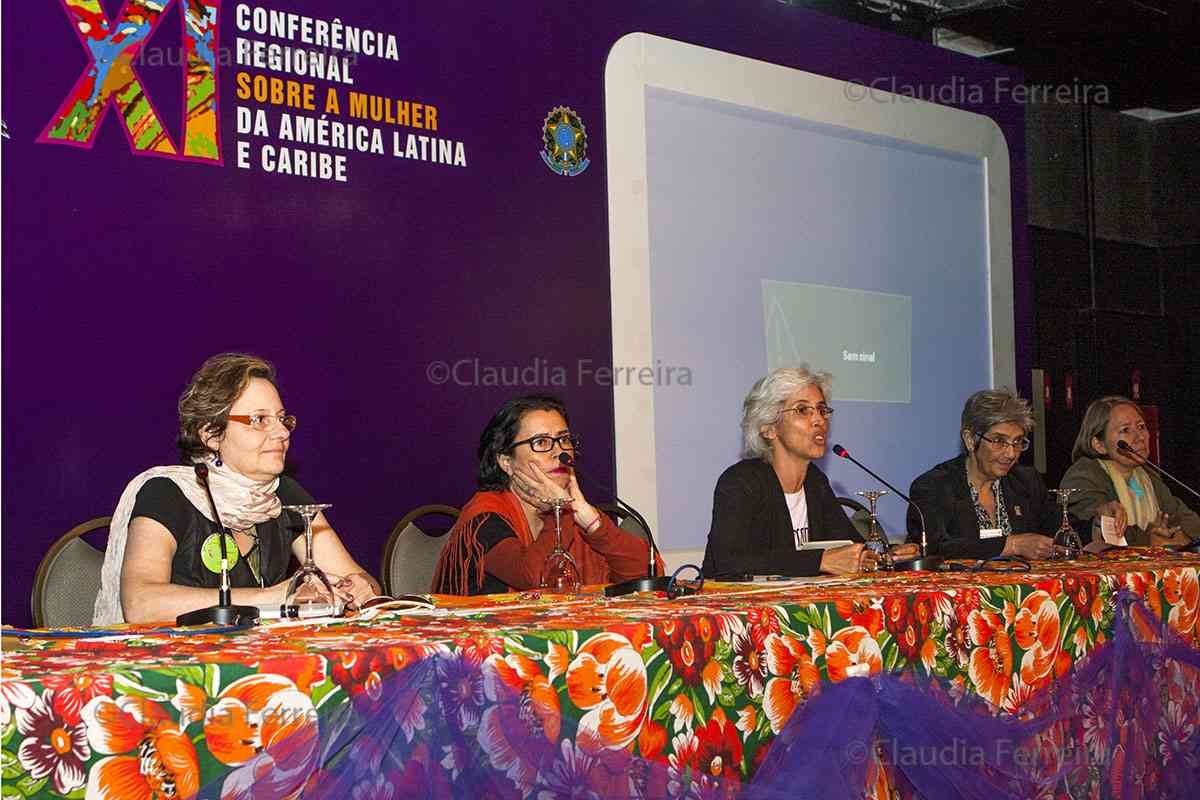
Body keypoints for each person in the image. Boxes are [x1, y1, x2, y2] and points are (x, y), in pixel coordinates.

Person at [93, 353, 378, 625]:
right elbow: (140, 605)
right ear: (212, 435)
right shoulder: (167, 493)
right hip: (180, 665)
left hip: (265, 658)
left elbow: (361, 580)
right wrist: (270, 598)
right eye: (259, 420)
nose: (282, 433)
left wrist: (360, 587)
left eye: (282, 419)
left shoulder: (285, 494)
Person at [702, 368, 917, 578]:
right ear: (768, 427)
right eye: (803, 410)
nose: (819, 420)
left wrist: (887, 555)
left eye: (822, 410)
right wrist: (821, 561)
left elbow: (849, 543)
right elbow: (729, 561)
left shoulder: (815, 481)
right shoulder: (740, 482)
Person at [431, 394, 652, 594]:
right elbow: (536, 578)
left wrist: (591, 522)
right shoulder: (484, 516)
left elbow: (644, 576)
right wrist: (560, 508)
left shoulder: (576, 513)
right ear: (506, 462)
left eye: (564, 439)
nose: (559, 451)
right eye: (541, 442)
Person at [906, 388, 1058, 560]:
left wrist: (1094, 526)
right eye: (999, 441)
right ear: (970, 440)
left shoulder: (1026, 480)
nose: (1011, 454)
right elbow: (933, 548)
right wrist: (1012, 545)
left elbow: (1058, 530)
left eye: (1017, 442)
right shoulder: (934, 485)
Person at [1060, 396, 1199, 546]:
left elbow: (1188, 520)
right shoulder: (1083, 475)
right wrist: (1149, 540)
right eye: (1125, 430)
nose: (1140, 437)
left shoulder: (1148, 475)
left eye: (1141, 426)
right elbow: (1099, 528)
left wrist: (1182, 536)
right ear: (1099, 444)